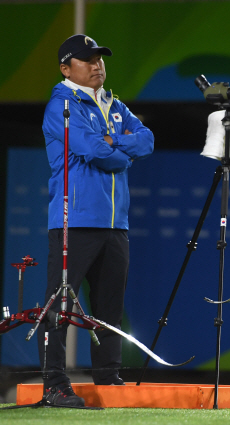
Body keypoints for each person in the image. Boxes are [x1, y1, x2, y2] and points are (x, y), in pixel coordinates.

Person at [38, 34, 154, 407]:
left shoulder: (114, 103)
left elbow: (147, 141)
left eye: (99, 58)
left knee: (109, 306)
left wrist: (110, 143)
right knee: (59, 304)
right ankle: (54, 384)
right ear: (66, 68)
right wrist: (119, 147)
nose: (97, 64)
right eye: (87, 59)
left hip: (115, 223)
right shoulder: (61, 104)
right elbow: (93, 150)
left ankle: (107, 377)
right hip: (76, 220)